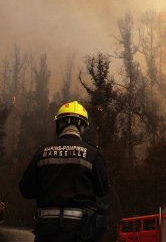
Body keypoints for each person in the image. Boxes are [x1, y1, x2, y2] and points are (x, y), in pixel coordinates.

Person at [19, 101, 109, 242]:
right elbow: (102, 190)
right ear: (82, 127)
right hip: (80, 231)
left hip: (46, 229)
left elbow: (26, 190)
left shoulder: (42, 151)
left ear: (59, 125)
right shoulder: (92, 153)